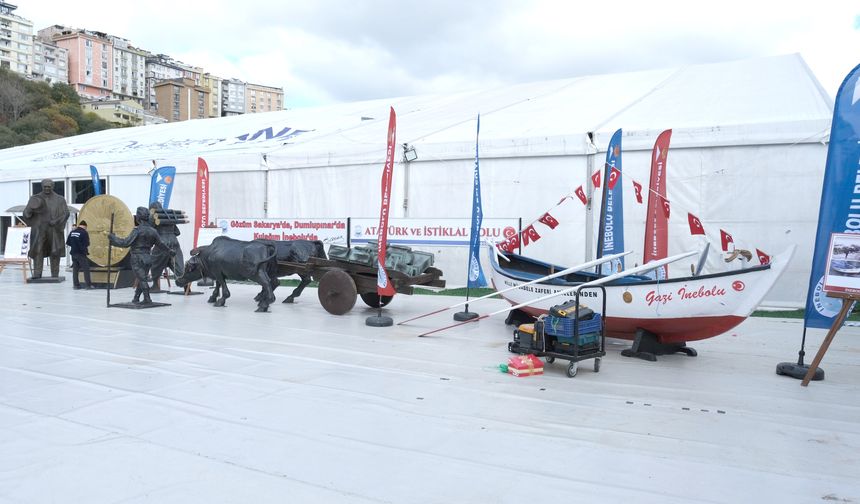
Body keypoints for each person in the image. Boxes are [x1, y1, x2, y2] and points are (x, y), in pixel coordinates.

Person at [108, 207, 173, 304]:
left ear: (138, 218)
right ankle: (136, 297)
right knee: (141, 278)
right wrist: (170, 251)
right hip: (147, 257)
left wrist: (113, 238)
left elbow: (125, 243)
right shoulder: (153, 231)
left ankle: (147, 299)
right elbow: (161, 244)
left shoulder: (137, 231)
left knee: (142, 279)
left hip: (137, 257)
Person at [22, 178, 69, 279]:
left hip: (54, 229)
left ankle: (55, 274)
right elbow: (26, 213)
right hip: (40, 230)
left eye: (49, 187)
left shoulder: (60, 199)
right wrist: (29, 211)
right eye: (45, 187)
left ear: (53, 186)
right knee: (38, 250)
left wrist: (56, 221)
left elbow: (66, 214)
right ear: (42, 186)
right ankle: (37, 273)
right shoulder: (35, 198)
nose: (47, 188)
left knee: (54, 251)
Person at [148, 201, 184, 290]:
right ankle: (186, 285)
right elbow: (177, 232)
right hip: (174, 241)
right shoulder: (169, 217)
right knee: (177, 263)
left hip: (162, 242)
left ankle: (155, 286)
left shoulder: (153, 217)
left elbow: (150, 231)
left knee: (155, 263)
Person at [66, 220, 93, 289]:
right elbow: (87, 243)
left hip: (73, 253)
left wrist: (74, 245)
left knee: (75, 270)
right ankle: (88, 285)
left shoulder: (72, 232)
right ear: (84, 226)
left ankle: (76, 285)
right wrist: (82, 247)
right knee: (86, 269)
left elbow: (68, 242)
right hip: (81, 254)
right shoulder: (84, 233)